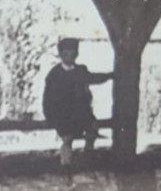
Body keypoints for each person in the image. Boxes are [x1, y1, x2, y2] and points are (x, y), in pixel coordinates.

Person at [42, 37, 113, 180]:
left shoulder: (81, 70)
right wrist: (51, 118)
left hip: (81, 114)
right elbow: (47, 100)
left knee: (92, 132)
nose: (70, 57)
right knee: (67, 139)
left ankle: (88, 161)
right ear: (61, 55)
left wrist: (110, 75)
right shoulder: (54, 75)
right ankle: (66, 167)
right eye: (66, 54)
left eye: (73, 54)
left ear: (77, 54)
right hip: (63, 115)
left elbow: (93, 78)